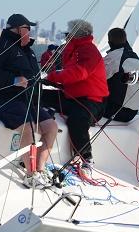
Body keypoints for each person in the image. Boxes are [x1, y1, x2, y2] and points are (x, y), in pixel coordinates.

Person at [0, 13, 58, 188]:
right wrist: (13, 80)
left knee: (51, 127)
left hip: (26, 101)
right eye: (27, 29)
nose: (30, 32)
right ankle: (30, 175)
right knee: (27, 128)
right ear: (17, 29)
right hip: (1, 99)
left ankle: (40, 169)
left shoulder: (28, 51)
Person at [43, 19, 108, 174]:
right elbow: (60, 67)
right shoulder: (72, 50)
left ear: (75, 35)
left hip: (93, 101)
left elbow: (79, 73)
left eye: (68, 33)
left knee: (77, 120)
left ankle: (87, 159)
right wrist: (49, 74)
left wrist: (53, 77)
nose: (66, 36)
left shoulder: (89, 51)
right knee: (39, 96)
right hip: (72, 96)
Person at [103, 28, 139, 122]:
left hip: (115, 111)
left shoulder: (114, 57)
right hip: (133, 113)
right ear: (125, 40)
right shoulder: (136, 58)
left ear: (109, 42)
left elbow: (96, 77)